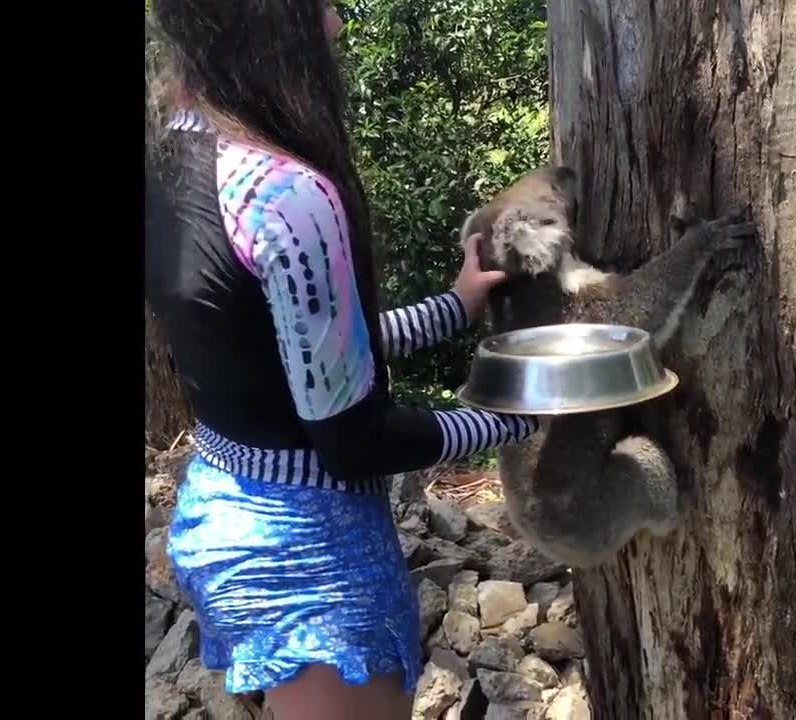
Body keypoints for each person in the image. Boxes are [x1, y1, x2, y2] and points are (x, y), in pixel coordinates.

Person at [144, 2, 540, 718]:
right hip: (310, 556)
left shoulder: (175, 155)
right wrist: (517, 418)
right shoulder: (287, 195)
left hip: (222, 510)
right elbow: (354, 438)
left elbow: (281, 353)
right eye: (319, 6)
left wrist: (451, 307)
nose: (335, 26)